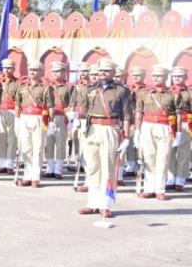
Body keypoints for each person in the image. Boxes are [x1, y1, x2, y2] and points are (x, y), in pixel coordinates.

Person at [79, 58, 131, 218]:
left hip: (110, 129)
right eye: (100, 71)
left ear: (113, 73)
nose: (102, 74)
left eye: (106, 71)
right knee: (93, 168)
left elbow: (127, 115)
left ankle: (106, 205)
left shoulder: (122, 91)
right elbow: (83, 110)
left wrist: (127, 137)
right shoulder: (90, 89)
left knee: (108, 169)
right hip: (92, 129)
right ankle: (93, 203)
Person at [135, 65, 176, 200]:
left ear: (165, 77)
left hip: (165, 127)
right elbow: (139, 113)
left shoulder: (173, 94)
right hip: (147, 126)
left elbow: (179, 114)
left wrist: (178, 132)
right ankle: (149, 188)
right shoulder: (144, 93)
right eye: (154, 76)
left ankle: (160, 189)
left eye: (159, 76)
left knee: (163, 159)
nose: (156, 78)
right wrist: (137, 130)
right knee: (149, 158)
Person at [14, 61, 52, 188]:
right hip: (24, 117)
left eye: (35, 69)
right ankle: (27, 174)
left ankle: (35, 176)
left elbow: (50, 106)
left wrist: (49, 122)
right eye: (30, 69)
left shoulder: (46, 87)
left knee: (38, 148)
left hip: (39, 118)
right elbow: (17, 104)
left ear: (41, 72)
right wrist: (17, 120)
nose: (32, 72)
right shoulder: (22, 86)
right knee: (25, 147)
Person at [44, 62, 73, 179]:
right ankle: (50, 167)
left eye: (58, 71)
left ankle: (59, 168)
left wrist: (70, 119)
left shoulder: (69, 86)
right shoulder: (48, 86)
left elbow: (71, 103)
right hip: (48, 116)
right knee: (49, 142)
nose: (55, 74)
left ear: (64, 72)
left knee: (61, 144)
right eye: (54, 71)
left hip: (62, 116)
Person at [167, 67, 191, 192]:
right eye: (175, 76)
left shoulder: (189, 92)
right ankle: (170, 177)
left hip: (185, 124)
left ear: (185, 78)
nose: (177, 78)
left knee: (183, 153)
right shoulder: (168, 91)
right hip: (170, 124)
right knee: (170, 151)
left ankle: (180, 180)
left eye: (180, 76)